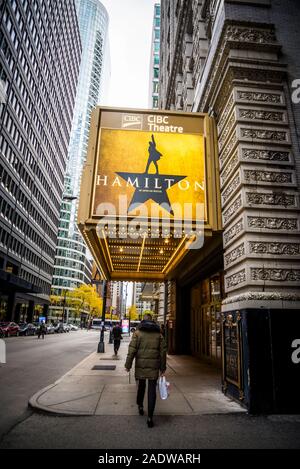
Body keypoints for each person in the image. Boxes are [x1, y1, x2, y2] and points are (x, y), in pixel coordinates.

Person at [125, 313, 166, 428]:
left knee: (141, 386)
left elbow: (132, 350)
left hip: (141, 366)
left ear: (143, 321)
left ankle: (140, 406)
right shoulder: (159, 335)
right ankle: (150, 418)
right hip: (154, 367)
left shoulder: (137, 333)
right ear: (152, 321)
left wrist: (128, 365)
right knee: (152, 390)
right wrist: (163, 368)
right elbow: (163, 352)